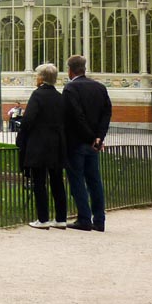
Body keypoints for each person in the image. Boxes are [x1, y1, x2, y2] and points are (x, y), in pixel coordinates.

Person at [62, 54, 112, 232]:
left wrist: (92, 137)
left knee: (77, 180)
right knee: (94, 181)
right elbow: (107, 114)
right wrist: (99, 137)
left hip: (77, 143)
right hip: (94, 144)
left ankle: (84, 218)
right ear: (84, 68)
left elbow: (76, 117)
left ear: (70, 70)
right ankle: (99, 220)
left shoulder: (70, 89)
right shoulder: (100, 87)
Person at [17, 63, 68, 229]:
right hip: (57, 145)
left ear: (41, 78)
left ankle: (43, 218)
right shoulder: (59, 97)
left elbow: (28, 119)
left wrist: (21, 137)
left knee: (39, 182)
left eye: (37, 75)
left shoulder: (37, 95)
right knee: (57, 182)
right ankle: (61, 218)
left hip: (39, 145)